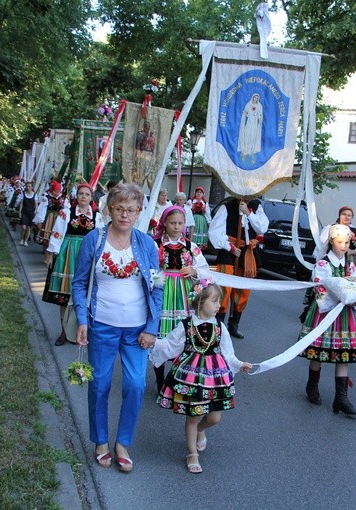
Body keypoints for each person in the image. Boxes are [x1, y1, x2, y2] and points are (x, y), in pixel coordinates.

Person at [72, 182, 163, 473]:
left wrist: (152, 327)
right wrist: (83, 320)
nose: (125, 215)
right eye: (119, 208)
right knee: (99, 384)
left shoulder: (147, 244)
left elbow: (157, 286)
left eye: (131, 210)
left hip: (137, 330)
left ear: (139, 212)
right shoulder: (94, 240)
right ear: (110, 208)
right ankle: (100, 441)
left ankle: (122, 443)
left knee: (136, 385)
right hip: (102, 326)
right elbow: (79, 283)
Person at [145, 279, 252, 473]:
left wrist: (239, 364)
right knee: (193, 415)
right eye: (214, 301)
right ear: (200, 301)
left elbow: (228, 353)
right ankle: (192, 452)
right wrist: (153, 341)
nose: (219, 305)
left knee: (214, 418)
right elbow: (170, 345)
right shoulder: (186, 325)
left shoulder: (220, 326)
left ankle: (201, 430)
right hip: (190, 375)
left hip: (214, 376)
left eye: (219, 301)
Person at [299, 224, 356, 416]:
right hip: (326, 312)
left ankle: (341, 398)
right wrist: (346, 297)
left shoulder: (350, 265)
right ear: (331, 242)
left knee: (343, 352)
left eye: (346, 242)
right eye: (340, 242)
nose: (344, 246)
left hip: (345, 314)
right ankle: (312, 386)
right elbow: (321, 289)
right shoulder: (322, 264)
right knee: (318, 351)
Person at [151, 206, 212, 392]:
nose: (176, 227)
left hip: (185, 294)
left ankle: (178, 377)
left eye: (180, 223)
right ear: (165, 223)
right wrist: (158, 284)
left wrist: (194, 270)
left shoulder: (190, 246)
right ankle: (160, 380)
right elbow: (152, 270)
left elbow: (204, 268)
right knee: (162, 334)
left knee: (185, 335)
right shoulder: (157, 245)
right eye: (172, 223)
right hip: (164, 292)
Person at [43, 184, 98, 346]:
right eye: (81, 193)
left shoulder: (97, 216)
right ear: (77, 196)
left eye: (86, 194)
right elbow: (57, 234)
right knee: (65, 296)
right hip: (68, 255)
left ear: (91, 197)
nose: (83, 196)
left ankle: (78, 331)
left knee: (83, 295)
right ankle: (63, 331)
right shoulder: (66, 213)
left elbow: (100, 239)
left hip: (87, 256)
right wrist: (50, 254)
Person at [208, 196, 268, 339]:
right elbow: (214, 232)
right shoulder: (227, 206)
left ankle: (234, 323)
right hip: (229, 252)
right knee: (223, 289)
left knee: (243, 290)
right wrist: (230, 247)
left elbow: (262, 227)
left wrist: (248, 213)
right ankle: (218, 323)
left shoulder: (256, 206)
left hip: (246, 254)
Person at [39, 180, 68, 249]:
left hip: (58, 217)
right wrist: (40, 220)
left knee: (56, 230)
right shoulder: (47, 197)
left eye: (58, 191)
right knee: (47, 230)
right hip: (49, 216)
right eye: (55, 191)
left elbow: (67, 208)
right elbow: (42, 209)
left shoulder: (63, 198)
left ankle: (52, 246)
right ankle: (45, 245)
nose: (57, 193)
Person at [237, 93, 263, 160]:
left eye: (257, 98)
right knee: (247, 135)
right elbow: (245, 112)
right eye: (255, 97)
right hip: (249, 122)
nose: (256, 99)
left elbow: (260, 114)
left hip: (255, 123)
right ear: (253, 97)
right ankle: (244, 152)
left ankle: (251, 152)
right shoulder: (249, 104)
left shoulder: (259, 106)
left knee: (253, 136)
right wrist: (245, 114)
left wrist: (260, 118)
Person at [18, 182, 38, 246]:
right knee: (23, 227)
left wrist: (36, 210)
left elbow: (36, 204)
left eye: (29, 186)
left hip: (31, 213)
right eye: (27, 186)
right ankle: (22, 239)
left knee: (28, 228)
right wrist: (20, 212)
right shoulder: (23, 194)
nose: (28, 187)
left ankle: (25, 241)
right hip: (24, 212)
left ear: (32, 187)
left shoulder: (34, 195)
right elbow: (21, 204)